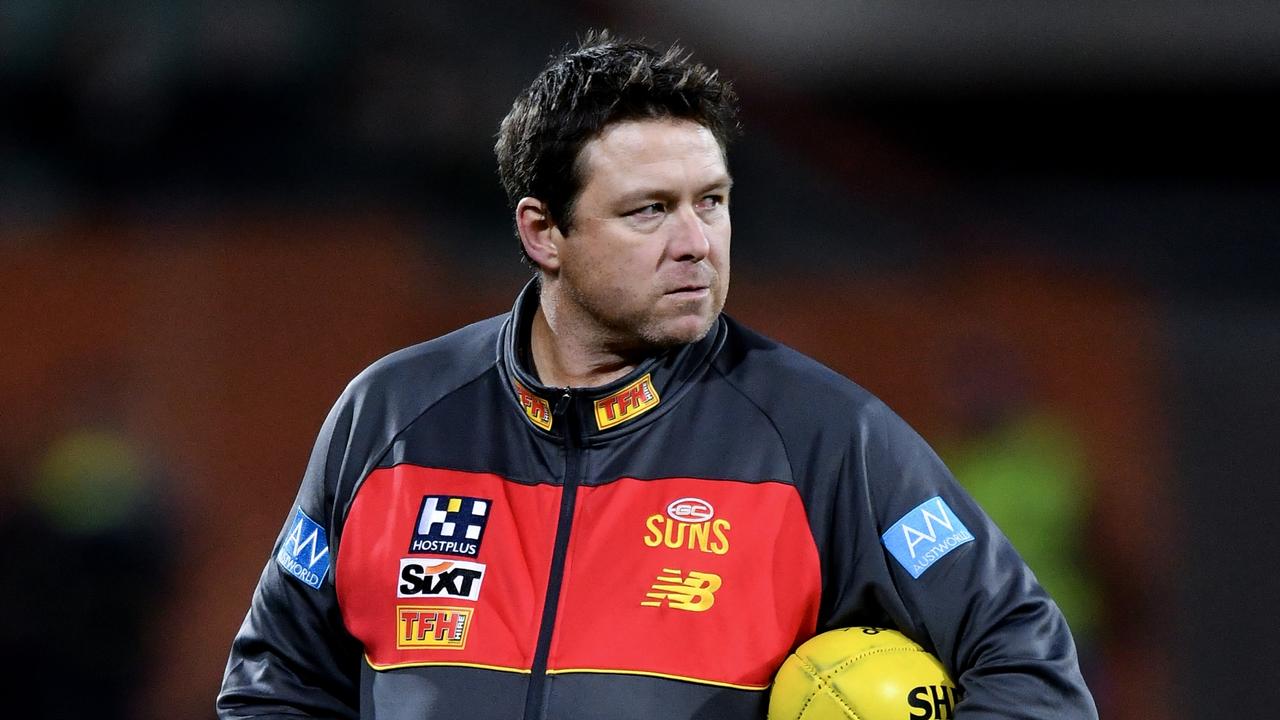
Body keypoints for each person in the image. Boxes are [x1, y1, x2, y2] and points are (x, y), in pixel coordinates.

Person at [217, 32, 1098, 720]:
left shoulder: (826, 437)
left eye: (710, 201)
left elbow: (1025, 659)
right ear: (541, 233)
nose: (695, 243)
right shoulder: (390, 417)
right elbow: (277, 682)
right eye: (649, 211)